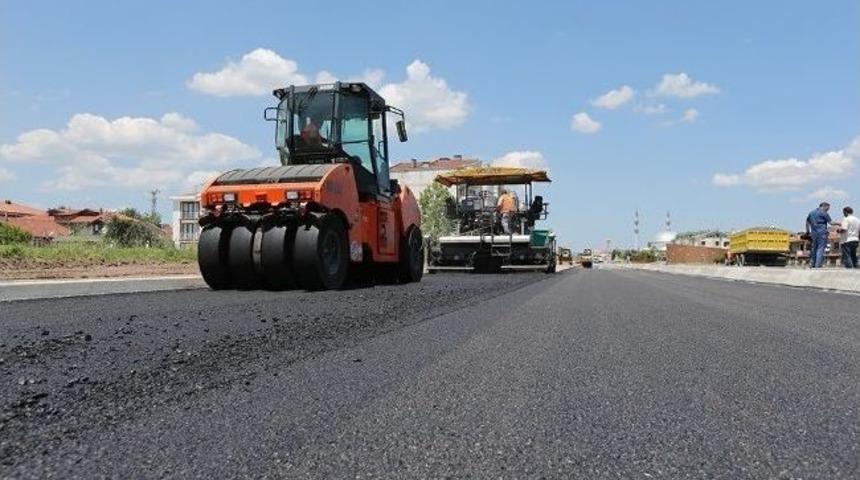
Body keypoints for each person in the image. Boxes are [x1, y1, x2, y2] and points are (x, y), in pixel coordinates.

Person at [806, 202, 833, 268]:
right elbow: (831, 222)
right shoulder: (823, 213)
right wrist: (839, 224)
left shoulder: (811, 213)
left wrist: (807, 231)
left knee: (814, 248)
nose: (828, 210)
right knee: (820, 248)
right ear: (824, 206)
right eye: (827, 208)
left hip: (813, 233)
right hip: (822, 233)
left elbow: (807, 222)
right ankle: (818, 264)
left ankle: (812, 263)